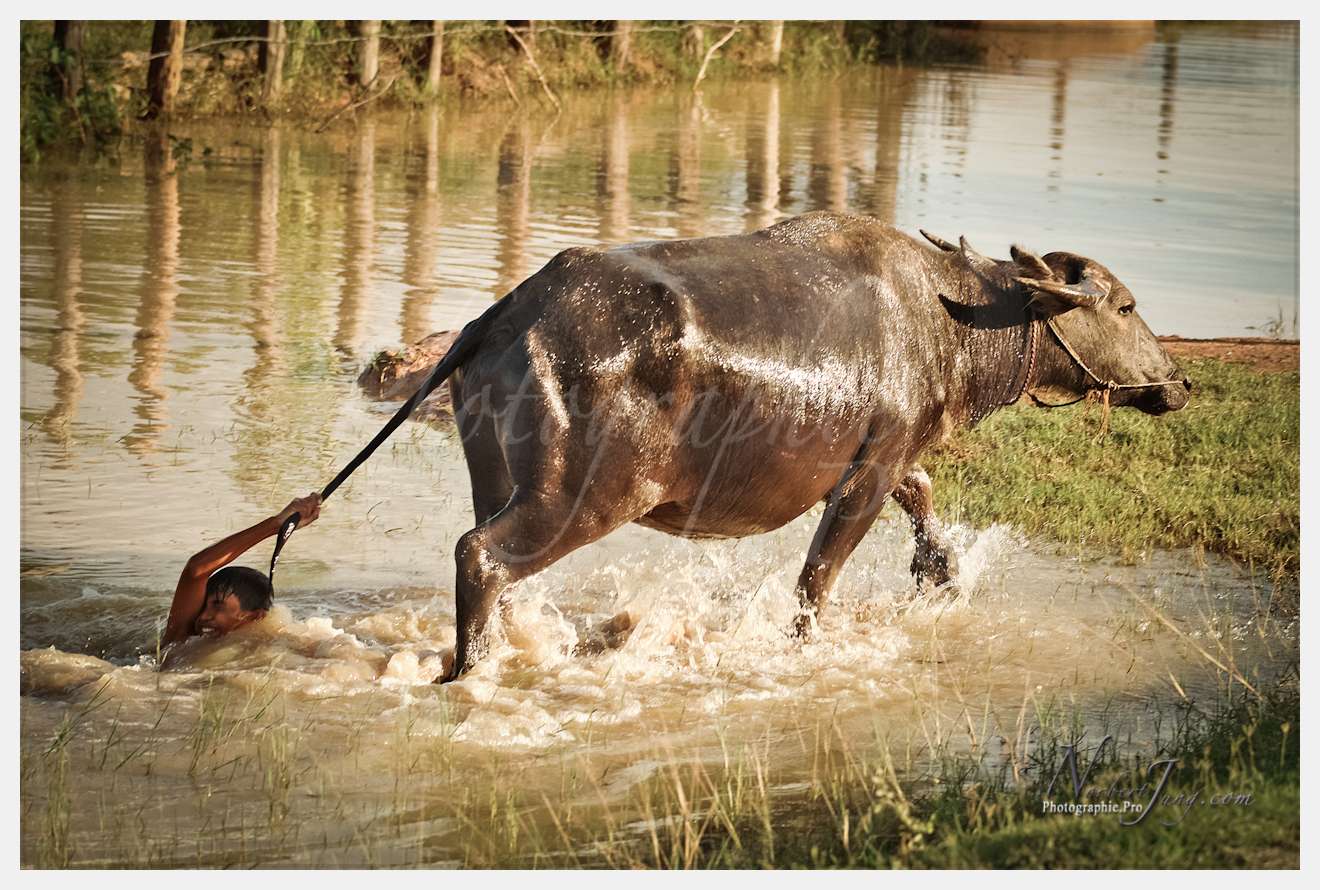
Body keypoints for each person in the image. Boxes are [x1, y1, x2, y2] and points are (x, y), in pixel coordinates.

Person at [162, 493, 322, 648]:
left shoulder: (269, 648)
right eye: (203, 605)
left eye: (218, 605)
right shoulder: (183, 640)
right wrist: (276, 524)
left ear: (255, 616)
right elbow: (196, 569)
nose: (203, 616)